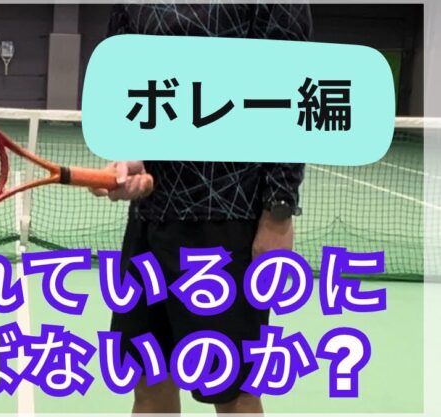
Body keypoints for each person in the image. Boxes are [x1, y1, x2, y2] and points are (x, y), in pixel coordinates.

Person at [92, 3, 312, 414]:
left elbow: (294, 91)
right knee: (149, 378)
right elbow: (126, 85)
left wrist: (277, 214)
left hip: (229, 222)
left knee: (234, 393)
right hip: (150, 220)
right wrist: (129, 158)